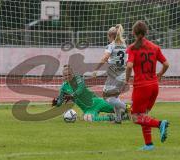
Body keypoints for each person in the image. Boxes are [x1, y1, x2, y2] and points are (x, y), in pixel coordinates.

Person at [125, 20, 170, 150]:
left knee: (135, 117)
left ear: (133, 32)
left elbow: (129, 66)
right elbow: (166, 64)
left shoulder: (132, 48)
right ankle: (148, 144)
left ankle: (160, 124)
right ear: (146, 32)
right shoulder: (155, 47)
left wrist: (126, 80)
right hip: (154, 86)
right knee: (143, 115)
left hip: (142, 87)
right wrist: (160, 74)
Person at [52, 65, 124, 123]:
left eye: (69, 74)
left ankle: (129, 113)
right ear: (63, 76)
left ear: (73, 74)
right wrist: (57, 102)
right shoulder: (63, 87)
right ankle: (110, 118)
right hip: (88, 109)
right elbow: (60, 101)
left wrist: (72, 95)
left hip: (96, 101)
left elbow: (80, 89)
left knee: (119, 108)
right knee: (88, 118)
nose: (67, 76)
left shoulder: (78, 79)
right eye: (65, 75)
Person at [93, 24, 130, 123]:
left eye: (108, 37)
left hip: (114, 75)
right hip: (122, 74)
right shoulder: (124, 45)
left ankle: (128, 108)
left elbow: (105, 58)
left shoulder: (111, 45)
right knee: (114, 97)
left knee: (106, 97)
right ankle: (118, 119)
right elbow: (127, 61)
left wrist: (95, 69)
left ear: (111, 36)